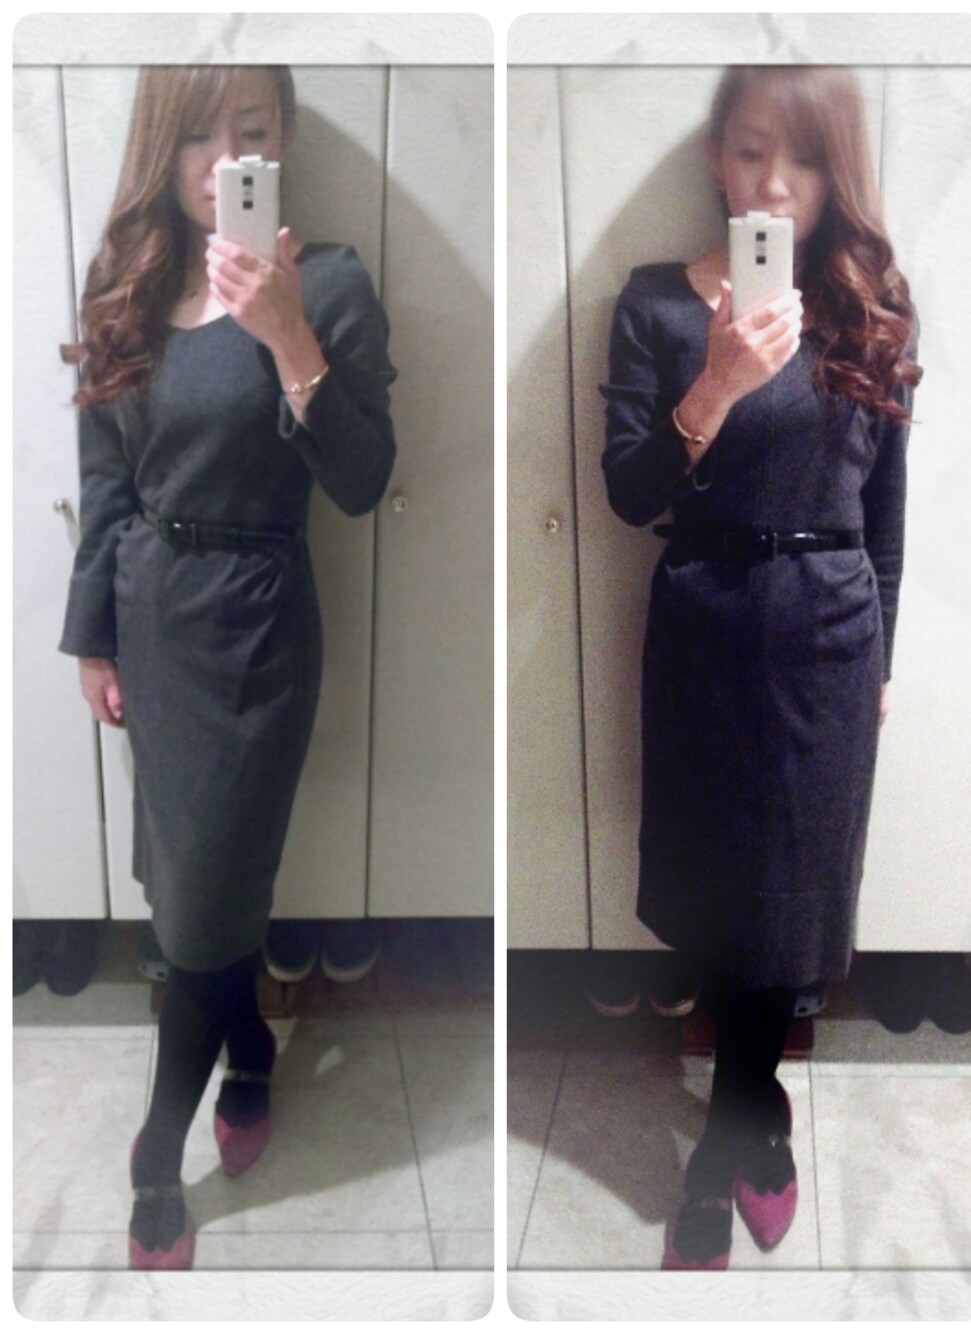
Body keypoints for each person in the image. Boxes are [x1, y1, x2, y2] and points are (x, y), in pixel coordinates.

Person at [58, 65, 396, 1269]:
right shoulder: (128, 283)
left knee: (205, 900)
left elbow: (362, 480)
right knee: (186, 892)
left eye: (250, 130)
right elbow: (107, 481)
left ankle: (156, 1155)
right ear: (161, 149)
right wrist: (93, 632)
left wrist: (288, 332)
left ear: (285, 139)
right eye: (197, 135)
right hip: (153, 616)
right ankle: (248, 1046)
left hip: (257, 625)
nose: (223, 159)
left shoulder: (329, 282)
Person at [599, 66, 920, 1269]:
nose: (773, 184)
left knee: (790, 898)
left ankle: (720, 1152)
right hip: (703, 618)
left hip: (829, 629)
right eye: (748, 152)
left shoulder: (869, 304)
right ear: (714, 159)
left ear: (837, 175)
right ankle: (757, 1116)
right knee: (717, 888)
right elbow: (627, 491)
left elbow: (885, 509)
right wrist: (718, 382)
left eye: (803, 158)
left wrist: (882, 654)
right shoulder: (654, 303)